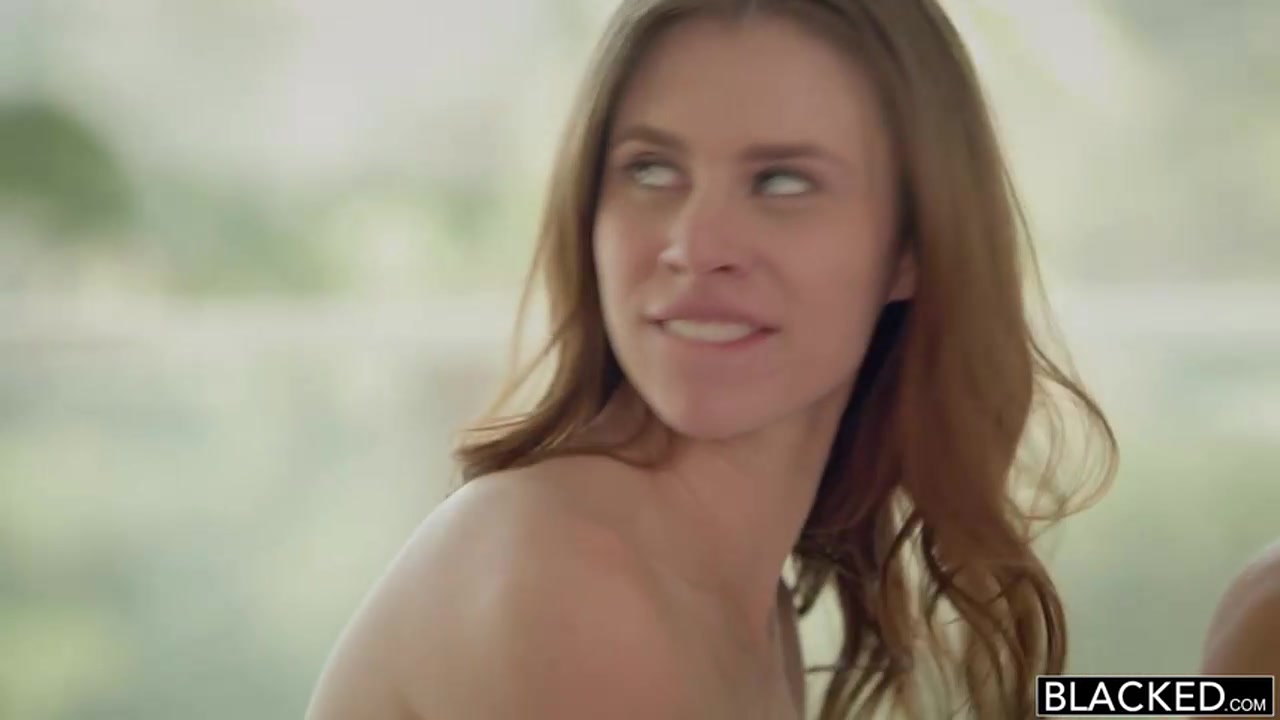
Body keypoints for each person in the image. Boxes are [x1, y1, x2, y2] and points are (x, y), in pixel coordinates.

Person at [305, 0, 1118, 718]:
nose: (695, 246)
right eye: (651, 170)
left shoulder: (748, 603)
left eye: (782, 183)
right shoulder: (568, 581)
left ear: (914, 245)